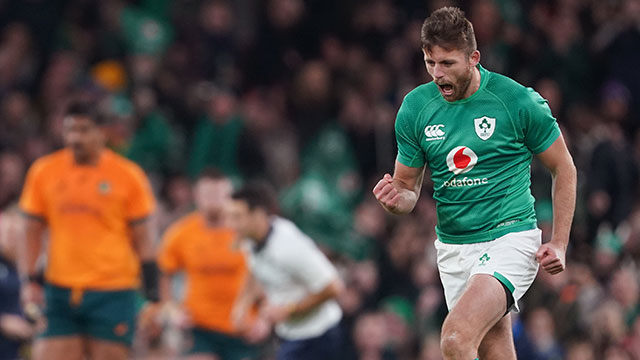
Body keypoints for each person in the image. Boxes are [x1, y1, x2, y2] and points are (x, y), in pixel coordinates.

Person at [372, 7, 576, 360]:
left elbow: (564, 167)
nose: (437, 74)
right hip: (453, 249)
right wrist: (395, 200)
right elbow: (407, 189)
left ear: (474, 58)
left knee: (455, 338)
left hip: (509, 239)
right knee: (492, 350)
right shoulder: (415, 108)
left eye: (447, 63)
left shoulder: (516, 101)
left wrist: (559, 241)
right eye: (429, 62)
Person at [18, 101, 159, 360]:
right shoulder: (44, 172)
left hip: (113, 290)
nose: (75, 138)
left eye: (83, 130)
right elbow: (30, 230)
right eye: (70, 130)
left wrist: (152, 295)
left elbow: (144, 238)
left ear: (102, 132)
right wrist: (29, 280)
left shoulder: (128, 176)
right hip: (60, 289)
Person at [226, 182, 344, 360]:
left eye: (237, 217)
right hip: (289, 335)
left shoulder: (288, 246)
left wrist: (287, 310)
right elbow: (255, 270)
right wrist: (242, 305)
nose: (230, 224)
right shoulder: (249, 240)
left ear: (258, 215)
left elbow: (334, 287)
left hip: (317, 336)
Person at [157, 169, 260, 360]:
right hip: (199, 326)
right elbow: (165, 275)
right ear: (196, 196)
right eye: (208, 194)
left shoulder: (247, 233)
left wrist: (264, 319)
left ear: (230, 197)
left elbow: (268, 275)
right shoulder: (180, 234)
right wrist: (171, 309)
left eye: (219, 194)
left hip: (241, 326)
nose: (213, 200)